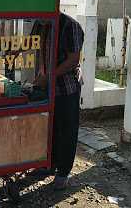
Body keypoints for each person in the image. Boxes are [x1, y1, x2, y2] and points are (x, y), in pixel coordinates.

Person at [34, 13, 84, 191]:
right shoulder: (40, 23)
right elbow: (33, 45)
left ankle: (63, 172)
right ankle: (49, 163)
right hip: (46, 86)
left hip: (66, 88)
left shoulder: (69, 26)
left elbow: (73, 60)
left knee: (66, 130)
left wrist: (48, 77)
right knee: (49, 127)